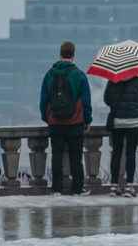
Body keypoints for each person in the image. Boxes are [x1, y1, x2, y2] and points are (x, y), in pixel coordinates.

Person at [39, 41, 92, 195]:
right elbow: (86, 102)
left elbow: (43, 101)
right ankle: (77, 189)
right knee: (76, 157)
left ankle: (56, 189)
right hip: (75, 123)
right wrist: (87, 120)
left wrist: (47, 118)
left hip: (55, 123)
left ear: (60, 54)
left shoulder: (49, 75)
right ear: (73, 55)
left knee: (56, 156)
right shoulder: (79, 75)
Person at [104, 74, 138, 197]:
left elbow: (107, 100)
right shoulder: (137, 81)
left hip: (118, 121)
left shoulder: (113, 80)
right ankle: (129, 187)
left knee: (116, 153)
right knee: (130, 153)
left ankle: (114, 186)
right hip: (133, 122)